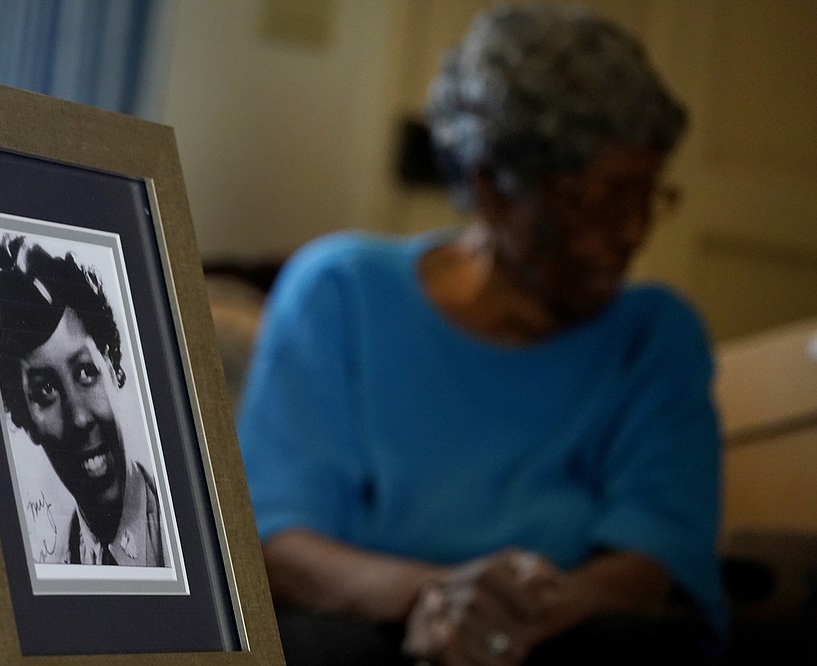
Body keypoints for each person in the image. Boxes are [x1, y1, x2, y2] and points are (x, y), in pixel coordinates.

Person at [237, 4, 726, 665]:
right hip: (372, 628)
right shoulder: (342, 291)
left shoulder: (656, 336)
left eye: (647, 196)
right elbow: (275, 537)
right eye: (598, 200)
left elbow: (659, 554)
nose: (632, 231)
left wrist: (522, 615)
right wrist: (435, 598)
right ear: (492, 187)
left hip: (565, 638)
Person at [0, 234, 165, 568]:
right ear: (25, 419)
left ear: (112, 366)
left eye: (86, 372)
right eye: (45, 391)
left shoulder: (185, 535)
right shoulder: (50, 565)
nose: (79, 418)